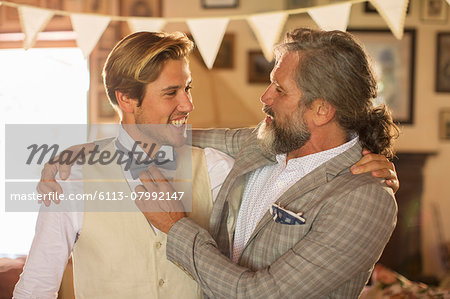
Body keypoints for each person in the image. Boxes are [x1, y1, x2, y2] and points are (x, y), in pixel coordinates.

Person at [30, 29, 399, 298]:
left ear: (321, 110)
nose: (264, 97)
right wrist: (80, 155)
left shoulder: (364, 196)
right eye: (173, 91)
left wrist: (175, 226)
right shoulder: (260, 148)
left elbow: (260, 294)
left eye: (280, 90)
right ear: (126, 98)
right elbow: (170, 134)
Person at [13, 31, 235, 299]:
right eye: (170, 93)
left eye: (187, 88)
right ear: (126, 99)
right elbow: (36, 288)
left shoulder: (217, 169)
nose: (188, 104)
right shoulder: (71, 177)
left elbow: (237, 279)